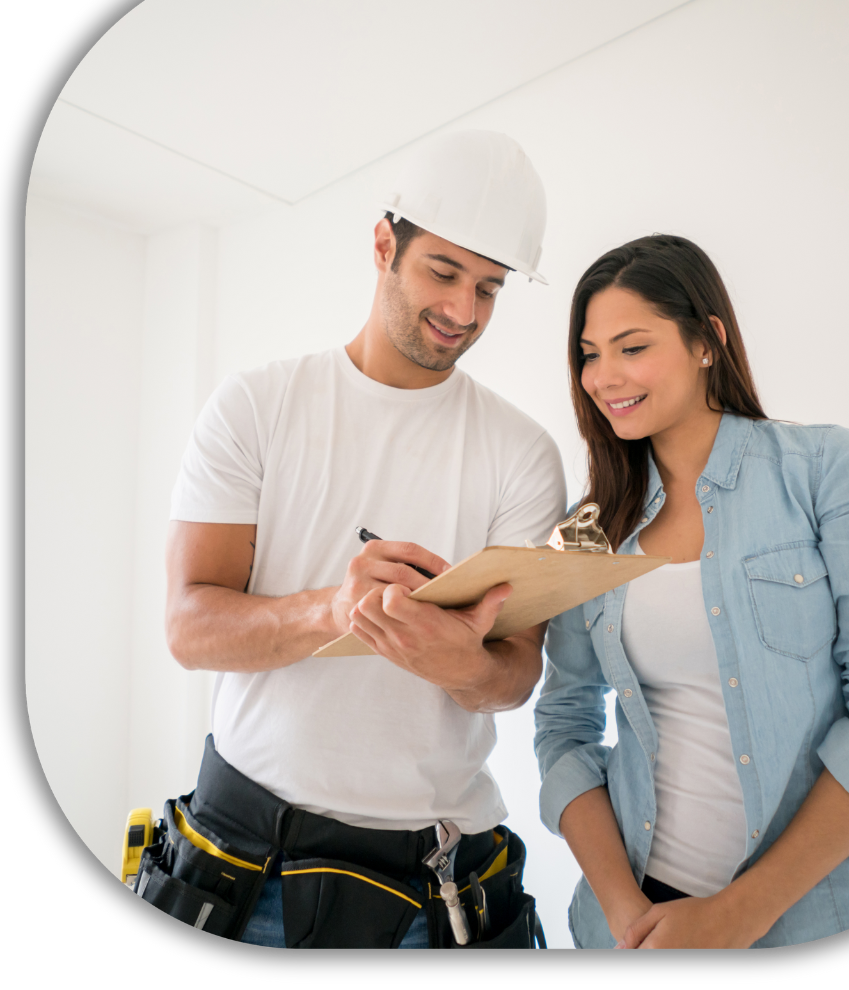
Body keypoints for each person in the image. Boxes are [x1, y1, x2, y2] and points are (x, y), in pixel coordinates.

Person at [150, 130, 566, 948]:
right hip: (252, 868)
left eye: (489, 287)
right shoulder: (257, 409)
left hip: (440, 884)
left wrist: (463, 666)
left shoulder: (522, 453)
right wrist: (336, 611)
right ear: (384, 246)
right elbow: (189, 627)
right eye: (443, 273)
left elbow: (513, 677)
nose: (464, 313)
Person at [533, 234, 849, 948]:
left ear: (707, 341)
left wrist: (738, 914)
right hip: (634, 921)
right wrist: (624, 914)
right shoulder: (588, 528)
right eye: (589, 353)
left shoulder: (827, 471)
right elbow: (564, 726)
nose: (603, 376)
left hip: (818, 909)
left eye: (632, 347)